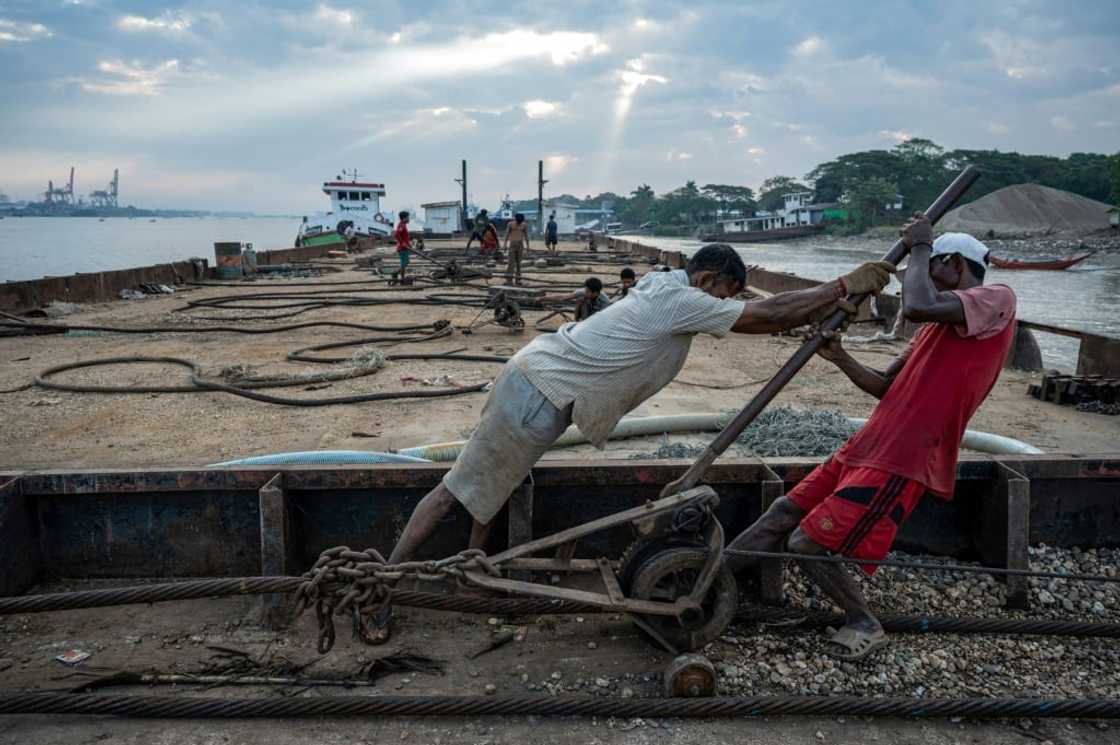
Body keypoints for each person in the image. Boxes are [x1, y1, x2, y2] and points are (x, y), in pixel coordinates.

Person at [363, 244, 894, 642]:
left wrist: (822, 304)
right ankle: (380, 590)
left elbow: (763, 319)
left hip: (537, 385)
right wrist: (841, 287)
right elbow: (767, 315)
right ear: (708, 279)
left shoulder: (665, 287)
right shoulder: (682, 299)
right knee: (458, 489)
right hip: (536, 395)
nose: (724, 307)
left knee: (493, 481)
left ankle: (475, 564)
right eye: (725, 295)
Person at [726, 214, 1017, 661]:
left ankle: (864, 621)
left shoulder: (996, 298)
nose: (912, 283)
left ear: (955, 264)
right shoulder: (935, 329)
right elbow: (885, 386)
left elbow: (918, 304)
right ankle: (707, 581)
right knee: (781, 512)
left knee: (806, 542)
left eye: (929, 267)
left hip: (903, 458)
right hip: (866, 446)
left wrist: (919, 246)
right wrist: (838, 356)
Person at [542, 277, 610, 321]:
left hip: (595, 321)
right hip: (585, 318)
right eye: (586, 290)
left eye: (587, 291)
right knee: (581, 300)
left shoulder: (605, 301)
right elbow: (563, 297)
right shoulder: (583, 292)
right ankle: (577, 323)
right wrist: (543, 298)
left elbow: (603, 319)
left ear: (595, 292)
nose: (585, 292)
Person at [505, 213, 530, 285]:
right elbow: (507, 234)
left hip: (520, 245)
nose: (519, 223)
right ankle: (509, 280)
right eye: (518, 221)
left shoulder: (524, 225)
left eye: (520, 222)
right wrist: (504, 245)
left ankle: (518, 280)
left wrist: (528, 246)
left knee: (519, 263)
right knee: (511, 263)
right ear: (515, 219)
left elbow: (526, 235)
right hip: (512, 245)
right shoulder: (510, 224)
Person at [393, 210, 412, 282]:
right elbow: (396, 234)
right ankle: (397, 275)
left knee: (405, 263)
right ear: (404, 218)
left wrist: (409, 245)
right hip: (402, 248)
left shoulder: (403, 225)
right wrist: (402, 243)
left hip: (405, 247)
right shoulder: (401, 225)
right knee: (404, 263)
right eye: (408, 217)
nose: (409, 219)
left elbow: (404, 237)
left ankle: (400, 277)